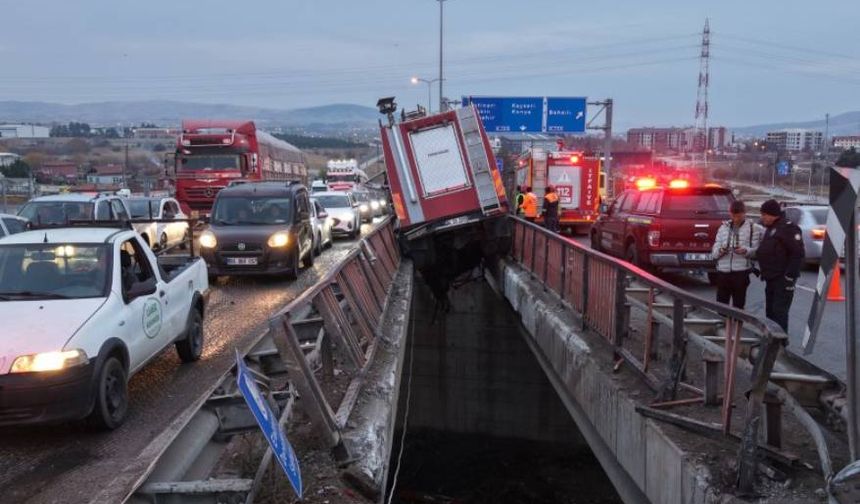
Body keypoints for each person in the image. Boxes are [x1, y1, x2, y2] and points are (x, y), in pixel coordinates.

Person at [755, 199, 804, 332]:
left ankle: (781, 344)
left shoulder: (788, 229)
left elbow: (797, 254)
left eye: (764, 215)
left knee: (779, 313)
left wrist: (789, 277)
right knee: (770, 312)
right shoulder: (772, 229)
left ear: (772, 214)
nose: (762, 218)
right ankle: (771, 340)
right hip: (771, 277)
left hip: (782, 279)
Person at [711, 200, 761, 309]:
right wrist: (720, 251)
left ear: (744, 213)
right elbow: (714, 251)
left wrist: (745, 250)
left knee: (738, 306)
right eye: (734, 216)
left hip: (741, 272)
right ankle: (724, 325)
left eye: (739, 216)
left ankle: (737, 326)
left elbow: (756, 250)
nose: (736, 219)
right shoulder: (723, 227)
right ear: (730, 214)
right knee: (721, 306)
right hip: (723, 272)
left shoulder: (754, 228)